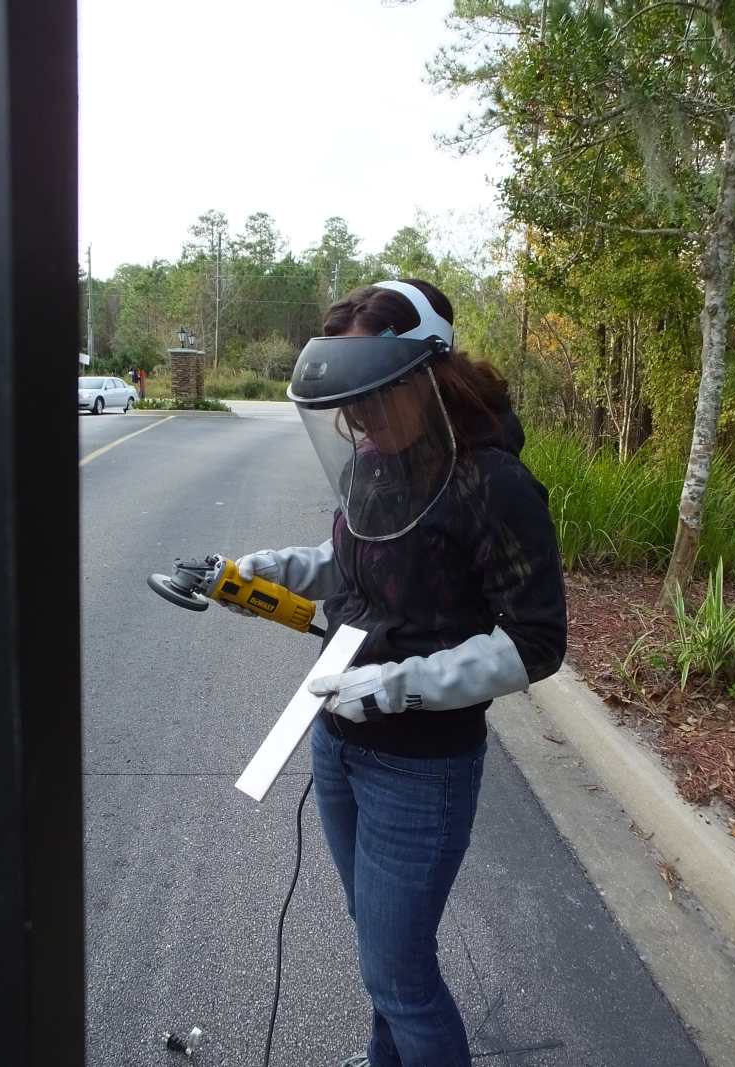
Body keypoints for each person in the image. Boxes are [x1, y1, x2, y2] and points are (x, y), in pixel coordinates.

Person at [227, 280, 567, 1067]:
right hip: (334, 743)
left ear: (429, 375)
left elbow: (537, 641)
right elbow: (352, 569)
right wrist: (260, 572)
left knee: (401, 974)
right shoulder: (375, 466)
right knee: (381, 947)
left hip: (419, 767)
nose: (361, 424)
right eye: (348, 406)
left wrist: (398, 684)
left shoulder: (493, 485)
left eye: (374, 399)